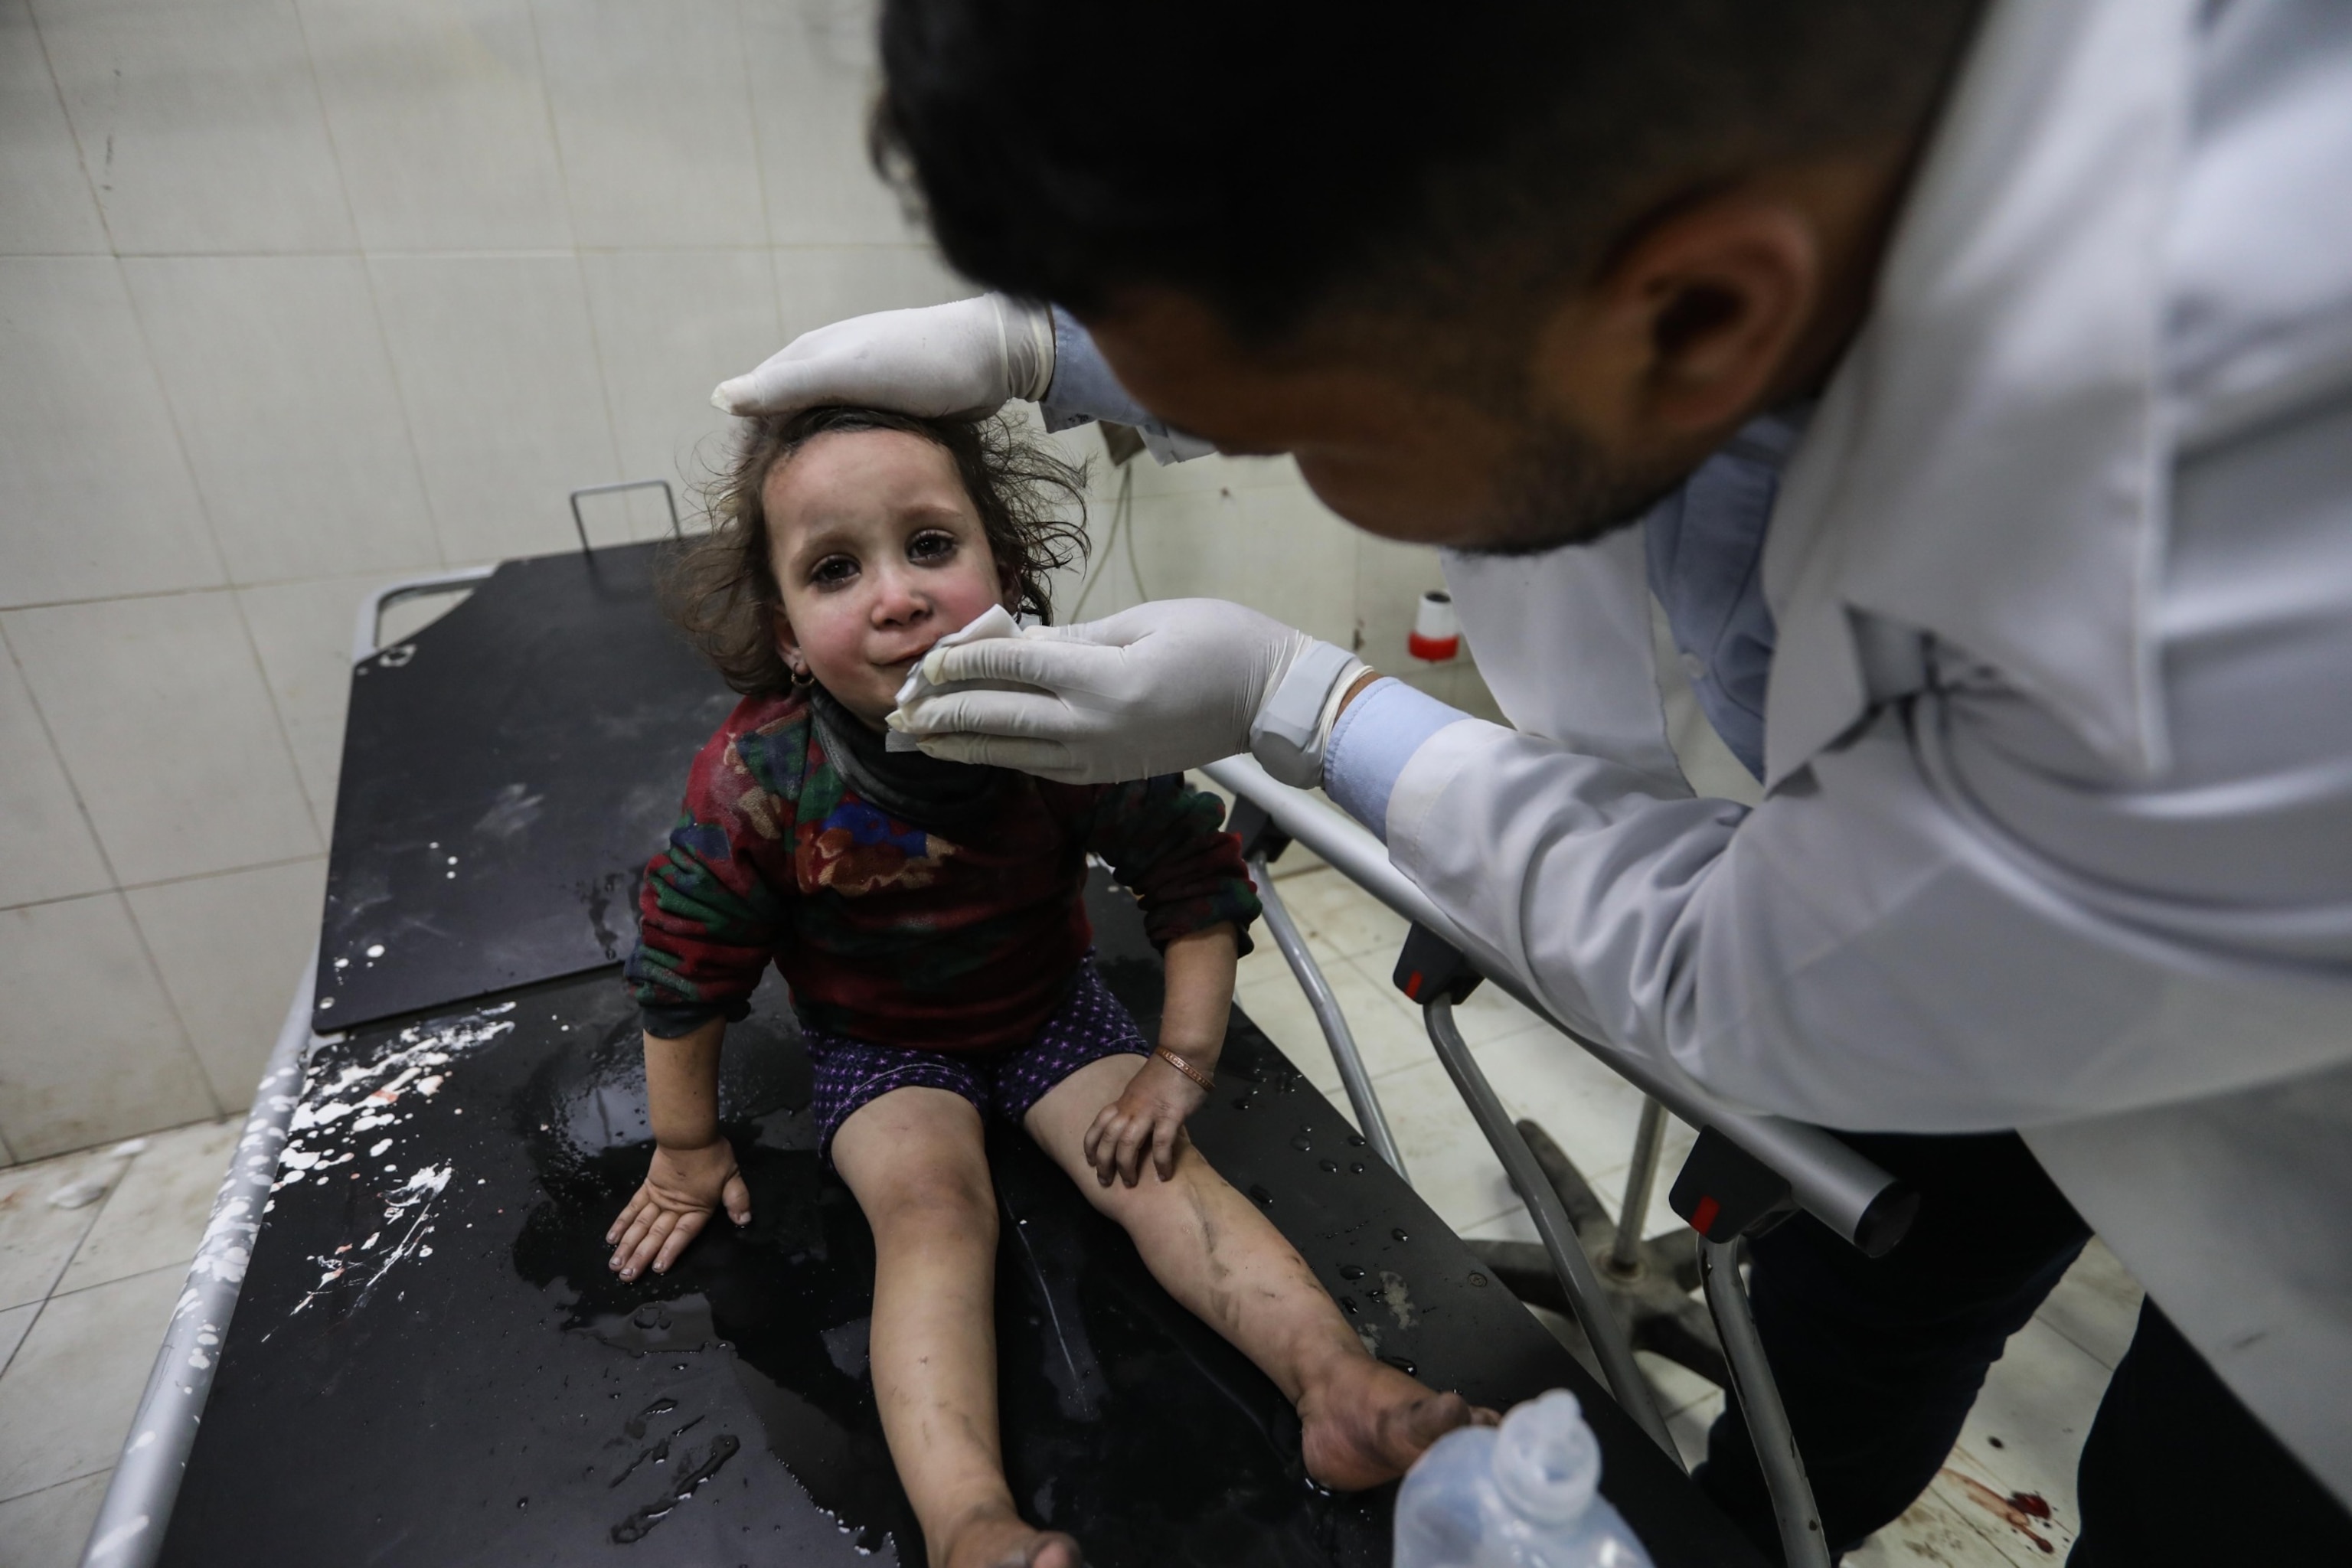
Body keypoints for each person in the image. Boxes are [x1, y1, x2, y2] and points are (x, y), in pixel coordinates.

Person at [708, 1, 2352, 1562]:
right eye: (836, 567)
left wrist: (1305, 702)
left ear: (1697, 315)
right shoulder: (1700, 127)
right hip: (903, 1063)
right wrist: (1059, 346)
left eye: (1300, 431)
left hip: (2294, 1146)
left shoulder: (2197, 578)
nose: (897, 595)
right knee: (1871, 1300)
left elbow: (1748, 957)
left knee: (2207, 1506)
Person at [604, 406, 1488, 1568]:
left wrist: (1180, 1064)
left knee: (1168, 1173)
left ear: (1004, 574)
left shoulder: (1061, 726)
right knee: (931, 1215)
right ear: (786, 637)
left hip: (1049, 1012)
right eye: (835, 569)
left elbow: (1191, 875)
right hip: (881, 1046)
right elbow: (688, 961)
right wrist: (685, 1149)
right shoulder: (765, 778)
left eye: (930, 546)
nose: (896, 596)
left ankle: (1338, 1390)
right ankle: (969, 1521)